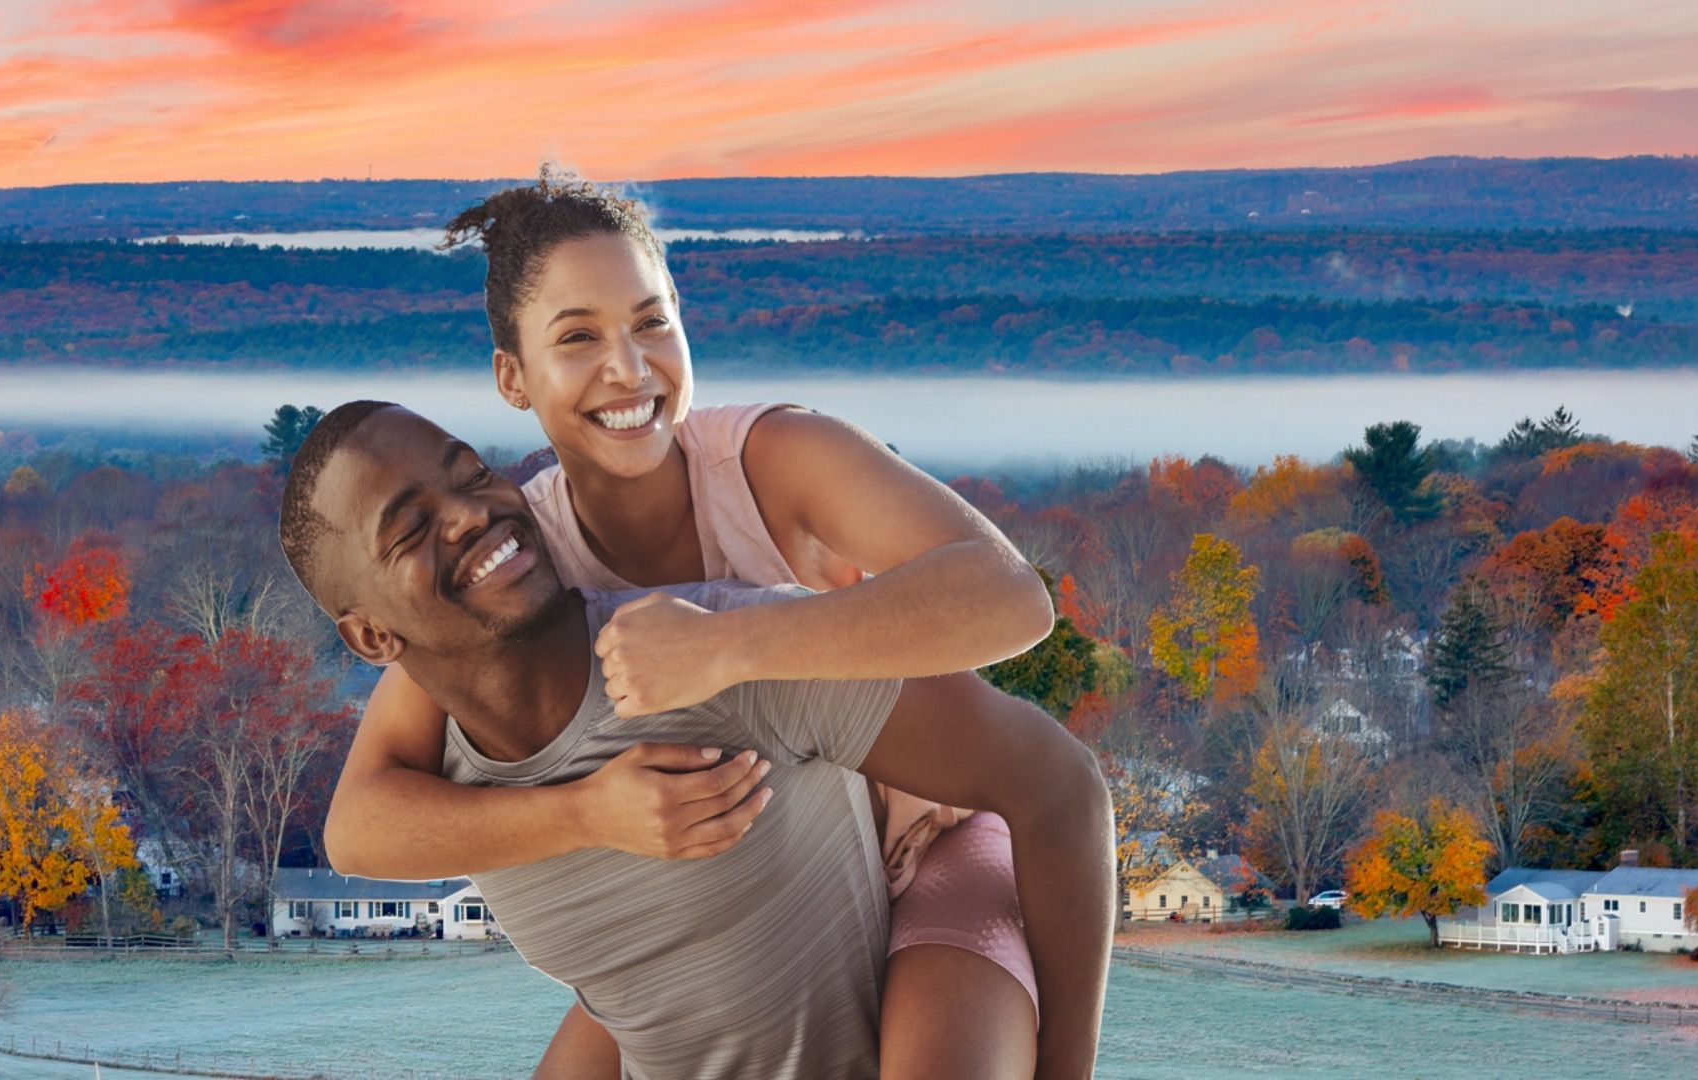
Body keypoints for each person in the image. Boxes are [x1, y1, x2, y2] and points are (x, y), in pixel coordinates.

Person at [324, 171, 1085, 1076]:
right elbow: (360, 825)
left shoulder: (773, 459)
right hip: (739, 909)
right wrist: (588, 814)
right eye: (578, 337)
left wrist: (728, 646)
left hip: (923, 852)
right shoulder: (518, 561)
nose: (630, 367)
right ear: (512, 378)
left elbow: (1011, 599)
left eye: (652, 321)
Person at [279, 401, 1114, 1079]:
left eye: (471, 473)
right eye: (410, 529)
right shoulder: (437, 767)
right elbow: (354, 834)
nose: (467, 514)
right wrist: (592, 813)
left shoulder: (713, 650)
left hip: (933, 900)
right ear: (372, 638)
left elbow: (1057, 783)